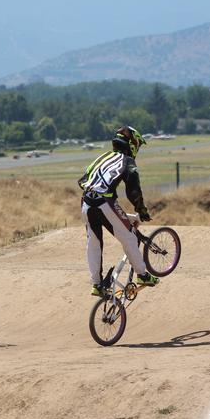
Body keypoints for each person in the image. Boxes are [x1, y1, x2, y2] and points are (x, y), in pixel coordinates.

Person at [79, 125, 159, 296]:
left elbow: (85, 177)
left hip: (86, 202)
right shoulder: (127, 161)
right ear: (132, 145)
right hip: (105, 202)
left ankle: (97, 284)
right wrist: (141, 210)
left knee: (93, 242)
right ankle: (143, 275)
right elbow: (133, 190)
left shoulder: (102, 157)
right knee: (129, 237)